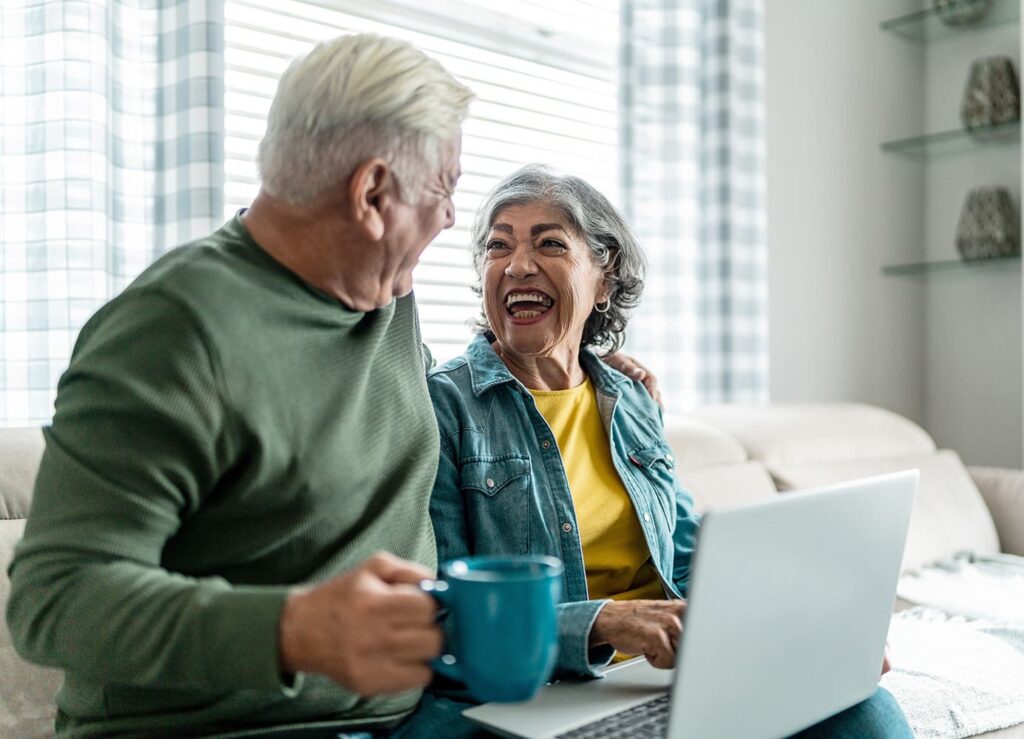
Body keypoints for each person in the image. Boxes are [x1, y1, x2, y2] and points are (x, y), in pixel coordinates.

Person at [6, 35, 657, 738]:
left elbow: (393, 412)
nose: (448, 218)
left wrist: (585, 368)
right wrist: (292, 628)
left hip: (423, 716)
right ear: (373, 193)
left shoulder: (383, 299)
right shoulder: (171, 332)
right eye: (444, 187)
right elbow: (53, 599)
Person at [415, 164, 913, 737]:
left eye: (549, 243)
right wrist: (602, 623)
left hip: (670, 674)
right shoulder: (446, 406)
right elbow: (443, 613)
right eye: (497, 246)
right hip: (546, 693)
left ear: (604, 280)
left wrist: (806, 620)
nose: (517, 264)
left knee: (868, 713)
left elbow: (684, 555)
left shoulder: (629, 398)